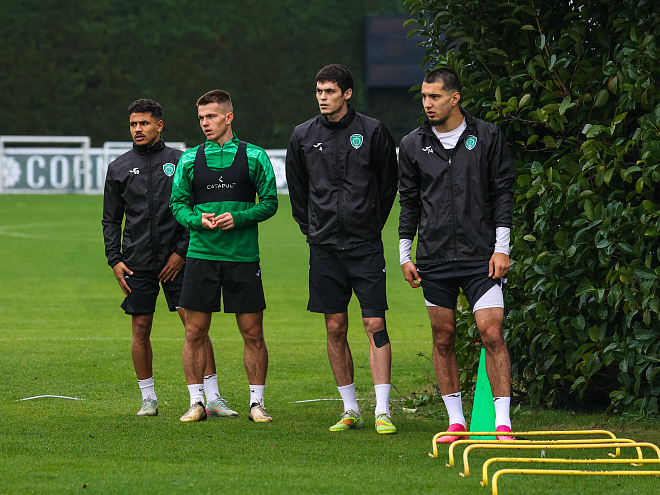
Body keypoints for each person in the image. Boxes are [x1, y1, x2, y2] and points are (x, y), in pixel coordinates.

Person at [398, 68, 516, 442]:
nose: (427, 103)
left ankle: (502, 423)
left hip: (482, 256)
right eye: (423, 96)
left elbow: (503, 193)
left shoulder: (488, 135)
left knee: (491, 332)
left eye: (434, 96)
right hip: (434, 258)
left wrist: (501, 249)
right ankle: (456, 422)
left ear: (454, 98)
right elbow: (409, 203)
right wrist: (405, 254)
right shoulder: (412, 144)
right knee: (443, 336)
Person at [102, 99, 235, 418]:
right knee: (140, 328)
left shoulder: (182, 161)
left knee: (195, 328)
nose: (137, 129)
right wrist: (114, 259)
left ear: (159, 125)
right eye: (133, 124)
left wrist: (180, 252)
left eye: (144, 123)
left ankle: (213, 398)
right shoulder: (118, 167)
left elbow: (195, 210)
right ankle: (148, 399)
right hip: (136, 262)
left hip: (180, 262)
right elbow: (111, 219)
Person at [286, 64, 399, 434]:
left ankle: (382, 410)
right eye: (319, 91)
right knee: (335, 326)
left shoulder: (373, 131)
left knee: (374, 323)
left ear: (347, 93)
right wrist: (313, 229)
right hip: (324, 248)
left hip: (365, 246)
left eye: (330, 91)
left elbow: (388, 185)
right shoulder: (302, 135)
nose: (322, 97)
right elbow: (298, 190)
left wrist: (370, 224)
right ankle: (350, 409)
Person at [170, 90, 278, 423]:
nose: (205, 123)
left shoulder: (255, 156)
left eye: (211, 116)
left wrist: (240, 218)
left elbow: (270, 203)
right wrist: (196, 220)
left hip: (242, 258)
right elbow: (177, 204)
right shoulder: (189, 159)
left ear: (228, 117)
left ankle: (257, 404)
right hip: (201, 256)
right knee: (194, 332)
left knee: (253, 333)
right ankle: (196, 403)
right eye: (201, 118)